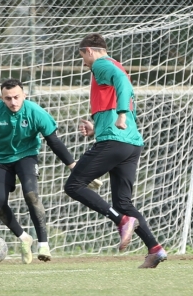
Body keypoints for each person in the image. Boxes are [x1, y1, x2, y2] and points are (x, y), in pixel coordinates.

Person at [64, 33, 167, 268]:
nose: (83, 62)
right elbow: (120, 93)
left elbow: (121, 82)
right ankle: (155, 249)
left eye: (82, 56)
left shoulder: (101, 64)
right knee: (123, 202)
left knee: (74, 185)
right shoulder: (114, 64)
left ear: (89, 51)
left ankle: (121, 221)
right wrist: (97, 127)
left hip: (115, 141)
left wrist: (120, 114)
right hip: (130, 144)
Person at [0, 78, 76, 264]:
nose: (13, 102)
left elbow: (54, 141)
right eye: (8, 98)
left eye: (16, 97)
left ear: (24, 95)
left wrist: (73, 167)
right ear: (1, 98)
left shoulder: (36, 113)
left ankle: (43, 244)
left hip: (26, 156)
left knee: (31, 194)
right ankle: (24, 237)